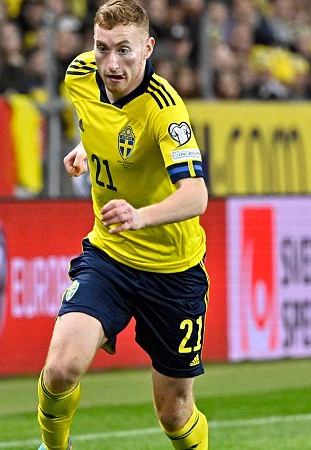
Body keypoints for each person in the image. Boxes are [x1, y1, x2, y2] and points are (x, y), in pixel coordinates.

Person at [37, 1, 210, 449]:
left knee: (174, 413)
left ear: (148, 48)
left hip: (173, 270)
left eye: (125, 51)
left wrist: (139, 216)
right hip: (109, 256)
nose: (111, 63)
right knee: (60, 369)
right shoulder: (79, 74)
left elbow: (196, 195)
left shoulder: (165, 110)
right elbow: (102, 121)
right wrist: (87, 146)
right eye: (102, 48)